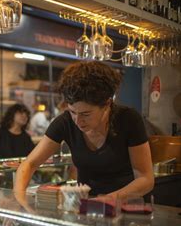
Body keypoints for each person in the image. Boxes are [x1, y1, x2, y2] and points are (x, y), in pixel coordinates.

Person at [15, 61, 154, 201]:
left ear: (107, 104)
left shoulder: (128, 119)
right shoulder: (65, 122)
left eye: (86, 114)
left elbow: (145, 179)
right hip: (86, 207)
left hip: (127, 206)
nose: (77, 120)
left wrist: (110, 199)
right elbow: (29, 164)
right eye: (72, 112)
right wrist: (19, 200)